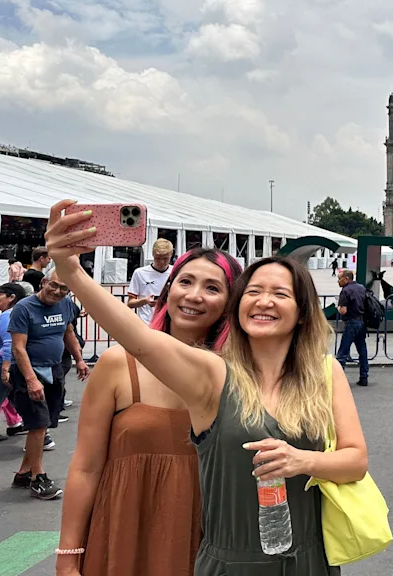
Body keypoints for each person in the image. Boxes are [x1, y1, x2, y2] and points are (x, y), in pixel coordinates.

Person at [47, 200, 367, 574]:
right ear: (238, 308)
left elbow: (356, 460)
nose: (265, 301)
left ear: (302, 312)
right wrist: (72, 273)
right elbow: (139, 340)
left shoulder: (323, 372)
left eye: (281, 294)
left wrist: (304, 461)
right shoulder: (215, 374)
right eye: (253, 292)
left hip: (304, 558)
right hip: (218, 553)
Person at [56, 248, 242, 576]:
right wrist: (68, 557)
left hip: (204, 542)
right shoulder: (118, 364)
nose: (194, 296)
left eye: (213, 288)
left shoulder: (237, 377)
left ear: (230, 303)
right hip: (122, 537)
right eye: (185, 281)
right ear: (167, 290)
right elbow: (85, 468)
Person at [8, 268, 90, 499]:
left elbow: (68, 332)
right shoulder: (24, 308)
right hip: (30, 373)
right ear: (44, 282)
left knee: (44, 424)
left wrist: (80, 359)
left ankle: (24, 472)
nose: (57, 291)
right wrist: (31, 380)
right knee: (38, 424)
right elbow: (18, 348)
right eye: (53, 285)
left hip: (54, 370)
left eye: (64, 288)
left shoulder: (64, 305)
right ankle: (38, 478)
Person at [0, 283, 27, 457]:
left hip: (1, 366)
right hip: (1, 364)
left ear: (11, 298)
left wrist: (4, 369)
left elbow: (9, 343)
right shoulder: (7, 315)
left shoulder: (7, 317)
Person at [127, 238, 174, 324]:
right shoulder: (139, 273)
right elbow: (130, 303)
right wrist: (145, 301)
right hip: (147, 323)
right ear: (153, 254)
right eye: (158, 258)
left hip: (169, 323)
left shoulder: (176, 272)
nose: (161, 262)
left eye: (165, 258)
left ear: (171, 255)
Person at [336, 269, 369, 387]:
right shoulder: (361, 287)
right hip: (362, 322)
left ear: (346, 279)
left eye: (339, 278)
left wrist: (338, 308)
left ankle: (338, 381)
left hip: (351, 323)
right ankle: (364, 377)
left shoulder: (345, 291)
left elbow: (343, 311)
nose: (338, 281)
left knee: (343, 352)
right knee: (362, 351)